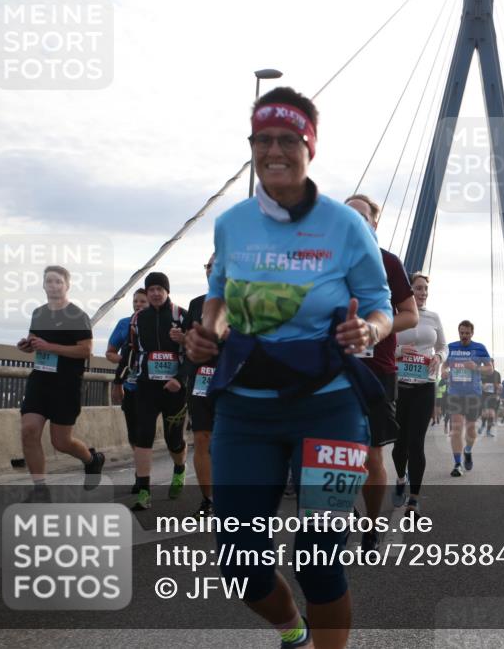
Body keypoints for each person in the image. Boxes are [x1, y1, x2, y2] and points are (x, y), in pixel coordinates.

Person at [185, 86, 392, 649]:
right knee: (238, 561)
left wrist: (368, 330)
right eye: (263, 139)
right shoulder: (231, 224)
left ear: (310, 148)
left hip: (328, 404)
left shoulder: (347, 227)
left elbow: (382, 307)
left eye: (288, 139)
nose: (274, 150)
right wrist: (211, 330)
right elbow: (218, 293)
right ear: (252, 145)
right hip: (246, 408)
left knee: (319, 557)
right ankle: (292, 630)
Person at [345, 194, 419, 552]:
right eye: (347, 215)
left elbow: (410, 315)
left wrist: (375, 330)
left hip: (376, 369)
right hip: (331, 369)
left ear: (375, 223)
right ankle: (335, 523)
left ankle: (372, 527)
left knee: (372, 455)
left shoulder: (389, 263)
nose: (354, 220)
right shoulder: (323, 261)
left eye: (362, 215)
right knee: (333, 453)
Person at [17, 265, 105, 496]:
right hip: (40, 381)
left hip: (66, 384)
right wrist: (27, 346)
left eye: (58, 282)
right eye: (49, 282)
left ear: (67, 285)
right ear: (43, 285)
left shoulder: (77, 316)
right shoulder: (39, 313)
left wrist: (50, 347)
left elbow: (85, 350)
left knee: (61, 442)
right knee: (29, 430)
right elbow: (35, 340)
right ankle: (40, 489)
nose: (53, 286)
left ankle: (91, 459)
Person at [117, 271, 190, 510]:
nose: (156, 293)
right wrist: (119, 381)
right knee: (142, 437)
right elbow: (129, 352)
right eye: (151, 289)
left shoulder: (181, 315)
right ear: (147, 293)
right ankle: (144, 491)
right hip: (146, 386)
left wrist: (180, 378)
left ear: (167, 291)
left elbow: (195, 353)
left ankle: (179, 468)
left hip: (174, 389)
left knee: (173, 440)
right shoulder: (138, 319)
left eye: (160, 288)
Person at [391, 272, 447, 516]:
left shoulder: (433, 317)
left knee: (416, 442)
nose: (423, 293)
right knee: (399, 444)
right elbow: (383, 347)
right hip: (399, 385)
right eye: (418, 288)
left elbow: (443, 346)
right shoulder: (394, 315)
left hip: (425, 384)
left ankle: (413, 499)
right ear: (408, 291)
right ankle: (400, 477)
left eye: (425, 289)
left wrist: (439, 357)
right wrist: (400, 350)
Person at [176, 255, 218, 518]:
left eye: (217, 266)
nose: (211, 270)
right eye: (208, 266)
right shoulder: (196, 304)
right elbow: (188, 345)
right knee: (201, 438)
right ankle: (209, 499)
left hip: (231, 382)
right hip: (201, 381)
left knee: (230, 442)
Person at [445, 320, 492, 477]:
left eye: (467, 333)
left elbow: (490, 369)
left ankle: (468, 450)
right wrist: (443, 371)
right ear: (458, 332)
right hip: (455, 393)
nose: (464, 336)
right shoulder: (451, 347)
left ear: (472, 333)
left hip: (473, 394)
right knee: (456, 429)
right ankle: (457, 463)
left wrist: (477, 367)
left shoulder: (479, 348)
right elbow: (444, 364)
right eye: (462, 333)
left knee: (471, 429)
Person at [107, 288, 148, 454]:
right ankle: (142, 471)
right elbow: (110, 353)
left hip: (152, 387)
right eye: (135, 301)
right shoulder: (124, 324)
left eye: (142, 301)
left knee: (146, 432)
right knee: (133, 433)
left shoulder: (160, 323)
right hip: (130, 386)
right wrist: (126, 360)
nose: (138, 305)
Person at [479, 367, 502, 437]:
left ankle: (488, 431)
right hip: (484, 395)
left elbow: (499, 385)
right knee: (485, 412)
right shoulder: (482, 373)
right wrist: (482, 386)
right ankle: (483, 425)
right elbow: (478, 382)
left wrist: (498, 394)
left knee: (491, 413)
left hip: (493, 395)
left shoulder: (497, 374)